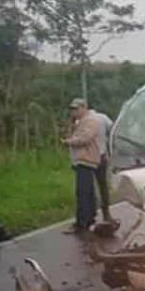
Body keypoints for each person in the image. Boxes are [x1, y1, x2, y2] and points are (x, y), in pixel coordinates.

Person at [62, 98, 101, 233]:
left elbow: (86, 137)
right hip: (83, 160)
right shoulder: (80, 122)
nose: (74, 112)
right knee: (87, 191)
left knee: (83, 192)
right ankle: (89, 218)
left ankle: (82, 222)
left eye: (76, 109)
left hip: (86, 159)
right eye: (72, 109)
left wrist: (70, 141)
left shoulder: (90, 121)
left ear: (84, 108)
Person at [90, 107, 114, 222]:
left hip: (87, 158)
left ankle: (91, 212)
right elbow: (113, 129)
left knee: (88, 186)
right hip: (101, 156)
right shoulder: (103, 117)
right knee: (103, 185)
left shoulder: (81, 121)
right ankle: (106, 213)